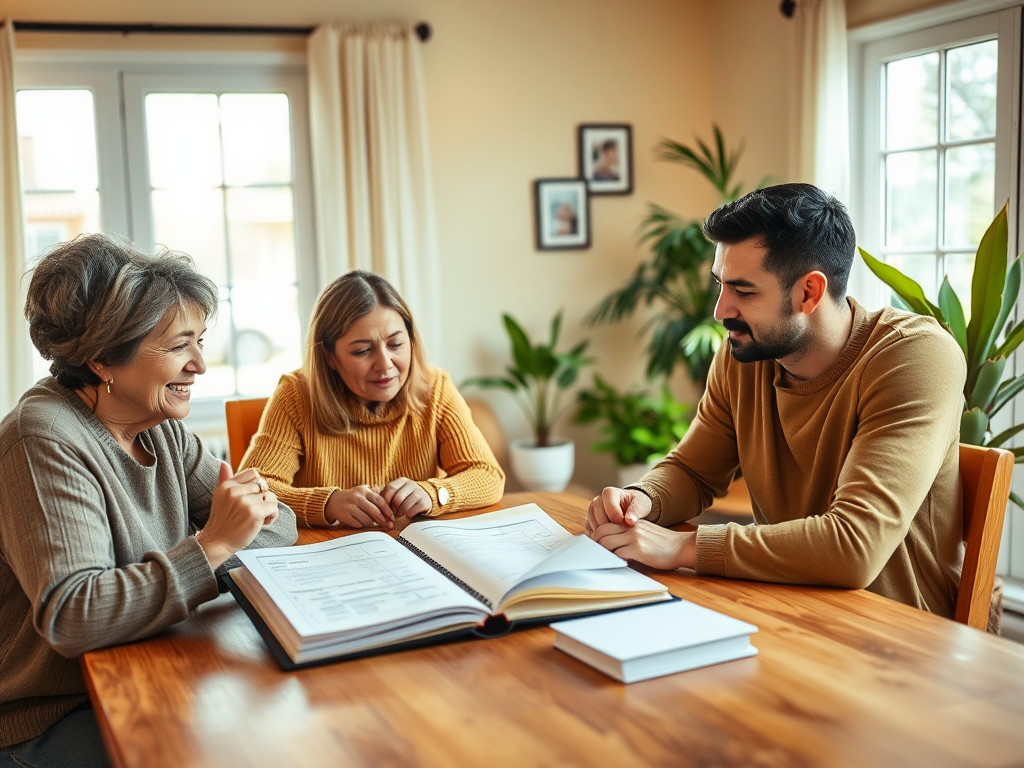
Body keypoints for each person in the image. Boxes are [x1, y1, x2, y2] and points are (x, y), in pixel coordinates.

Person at [586, 183, 967, 618]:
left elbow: (854, 545)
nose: (720, 310)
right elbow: (693, 470)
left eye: (744, 292)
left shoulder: (914, 356)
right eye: (720, 285)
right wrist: (644, 500)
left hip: (898, 641)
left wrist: (682, 546)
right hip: (783, 611)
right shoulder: (744, 355)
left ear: (809, 292)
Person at [0, 233, 298, 766]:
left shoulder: (159, 427)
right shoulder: (42, 439)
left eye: (201, 341)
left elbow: (276, 524)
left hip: (147, 660)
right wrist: (209, 548)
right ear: (102, 359)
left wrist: (218, 546)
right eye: (179, 345)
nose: (200, 364)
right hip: (53, 711)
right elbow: (74, 615)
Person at [239, 270, 504, 529]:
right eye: (363, 351)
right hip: (325, 554)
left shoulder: (435, 388)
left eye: (395, 344)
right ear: (330, 357)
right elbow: (252, 492)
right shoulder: (296, 394)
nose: (385, 364)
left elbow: (487, 476)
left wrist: (433, 494)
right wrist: (328, 503)